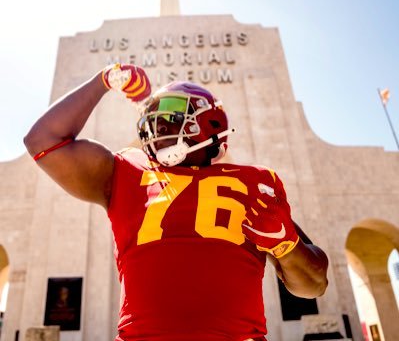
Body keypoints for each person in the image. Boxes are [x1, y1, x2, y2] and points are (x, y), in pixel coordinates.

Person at [24, 63, 328, 341]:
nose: (157, 124)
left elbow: (315, 284)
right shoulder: (125, 172)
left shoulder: (255, 182)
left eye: (170, 112)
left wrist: (287, 246)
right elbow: (42, 141)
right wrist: (104, 79)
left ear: (210, 121)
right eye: (152, 116)